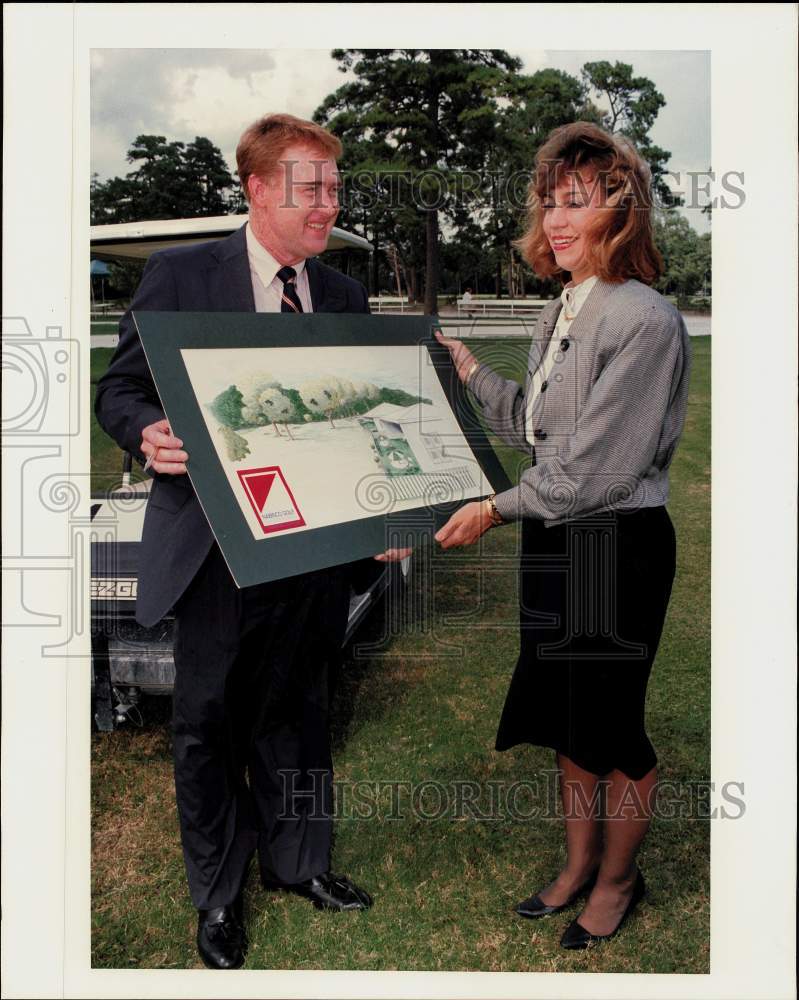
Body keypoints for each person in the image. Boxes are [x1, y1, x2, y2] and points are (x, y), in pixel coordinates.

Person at [95, 113, 376, 970]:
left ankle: (298, 863)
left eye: (334, 187)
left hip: (311, 546)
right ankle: (218, 895)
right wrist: (146, 432)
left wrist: (389, 513)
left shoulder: (341, 296)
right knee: (208, 719)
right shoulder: (183, 275)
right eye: (309, 188)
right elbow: (121, 389)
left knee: (296, 711)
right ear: (256, 190)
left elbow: (358, 424)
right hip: (213, 547)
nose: (327, 203)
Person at [434, 121, 691, 950]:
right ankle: (578, 866)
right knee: (566, 718)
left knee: (611, 726)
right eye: (549, 202)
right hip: (557, 540)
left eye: (575, 202)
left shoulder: (642, 318)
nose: (553, 220)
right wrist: (471, 372)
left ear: (619, 212)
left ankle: (617, 882)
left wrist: (491, 510)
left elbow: (597, 467)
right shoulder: (560, 309)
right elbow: (542, 432)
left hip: (614, 547)